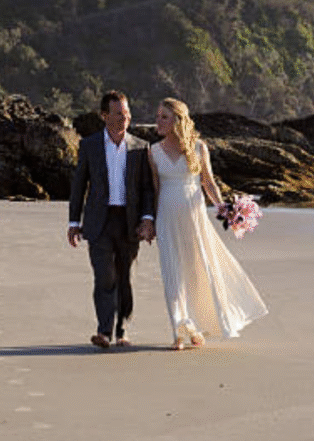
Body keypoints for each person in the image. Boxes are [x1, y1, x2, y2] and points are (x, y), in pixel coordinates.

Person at [150, 98, 267, 350]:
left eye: (164, 117)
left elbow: (208, 183)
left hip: (194, 219)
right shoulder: (153, 152)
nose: (158, 121)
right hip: (166, 219)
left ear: (177, 121)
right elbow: (155, 190)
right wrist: (149, 222)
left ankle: (196, 326)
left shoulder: (199, 148)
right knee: (172, 274)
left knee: (197, 272)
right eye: (158, 116)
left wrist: (225, 209)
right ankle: (178, 332)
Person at [68, 91, 156, 349]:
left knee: (125, 276)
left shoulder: (140, 148)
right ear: (105, 116)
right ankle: (104, 331)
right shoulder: (90, 145)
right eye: (119, 113)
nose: (124, 118)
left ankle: (122, 330)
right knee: (104, 276)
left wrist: (148, 218)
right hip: (99, 221)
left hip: (129, 222)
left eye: (127, 113)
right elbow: (78, 186)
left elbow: (147, 188)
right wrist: (74, 222)